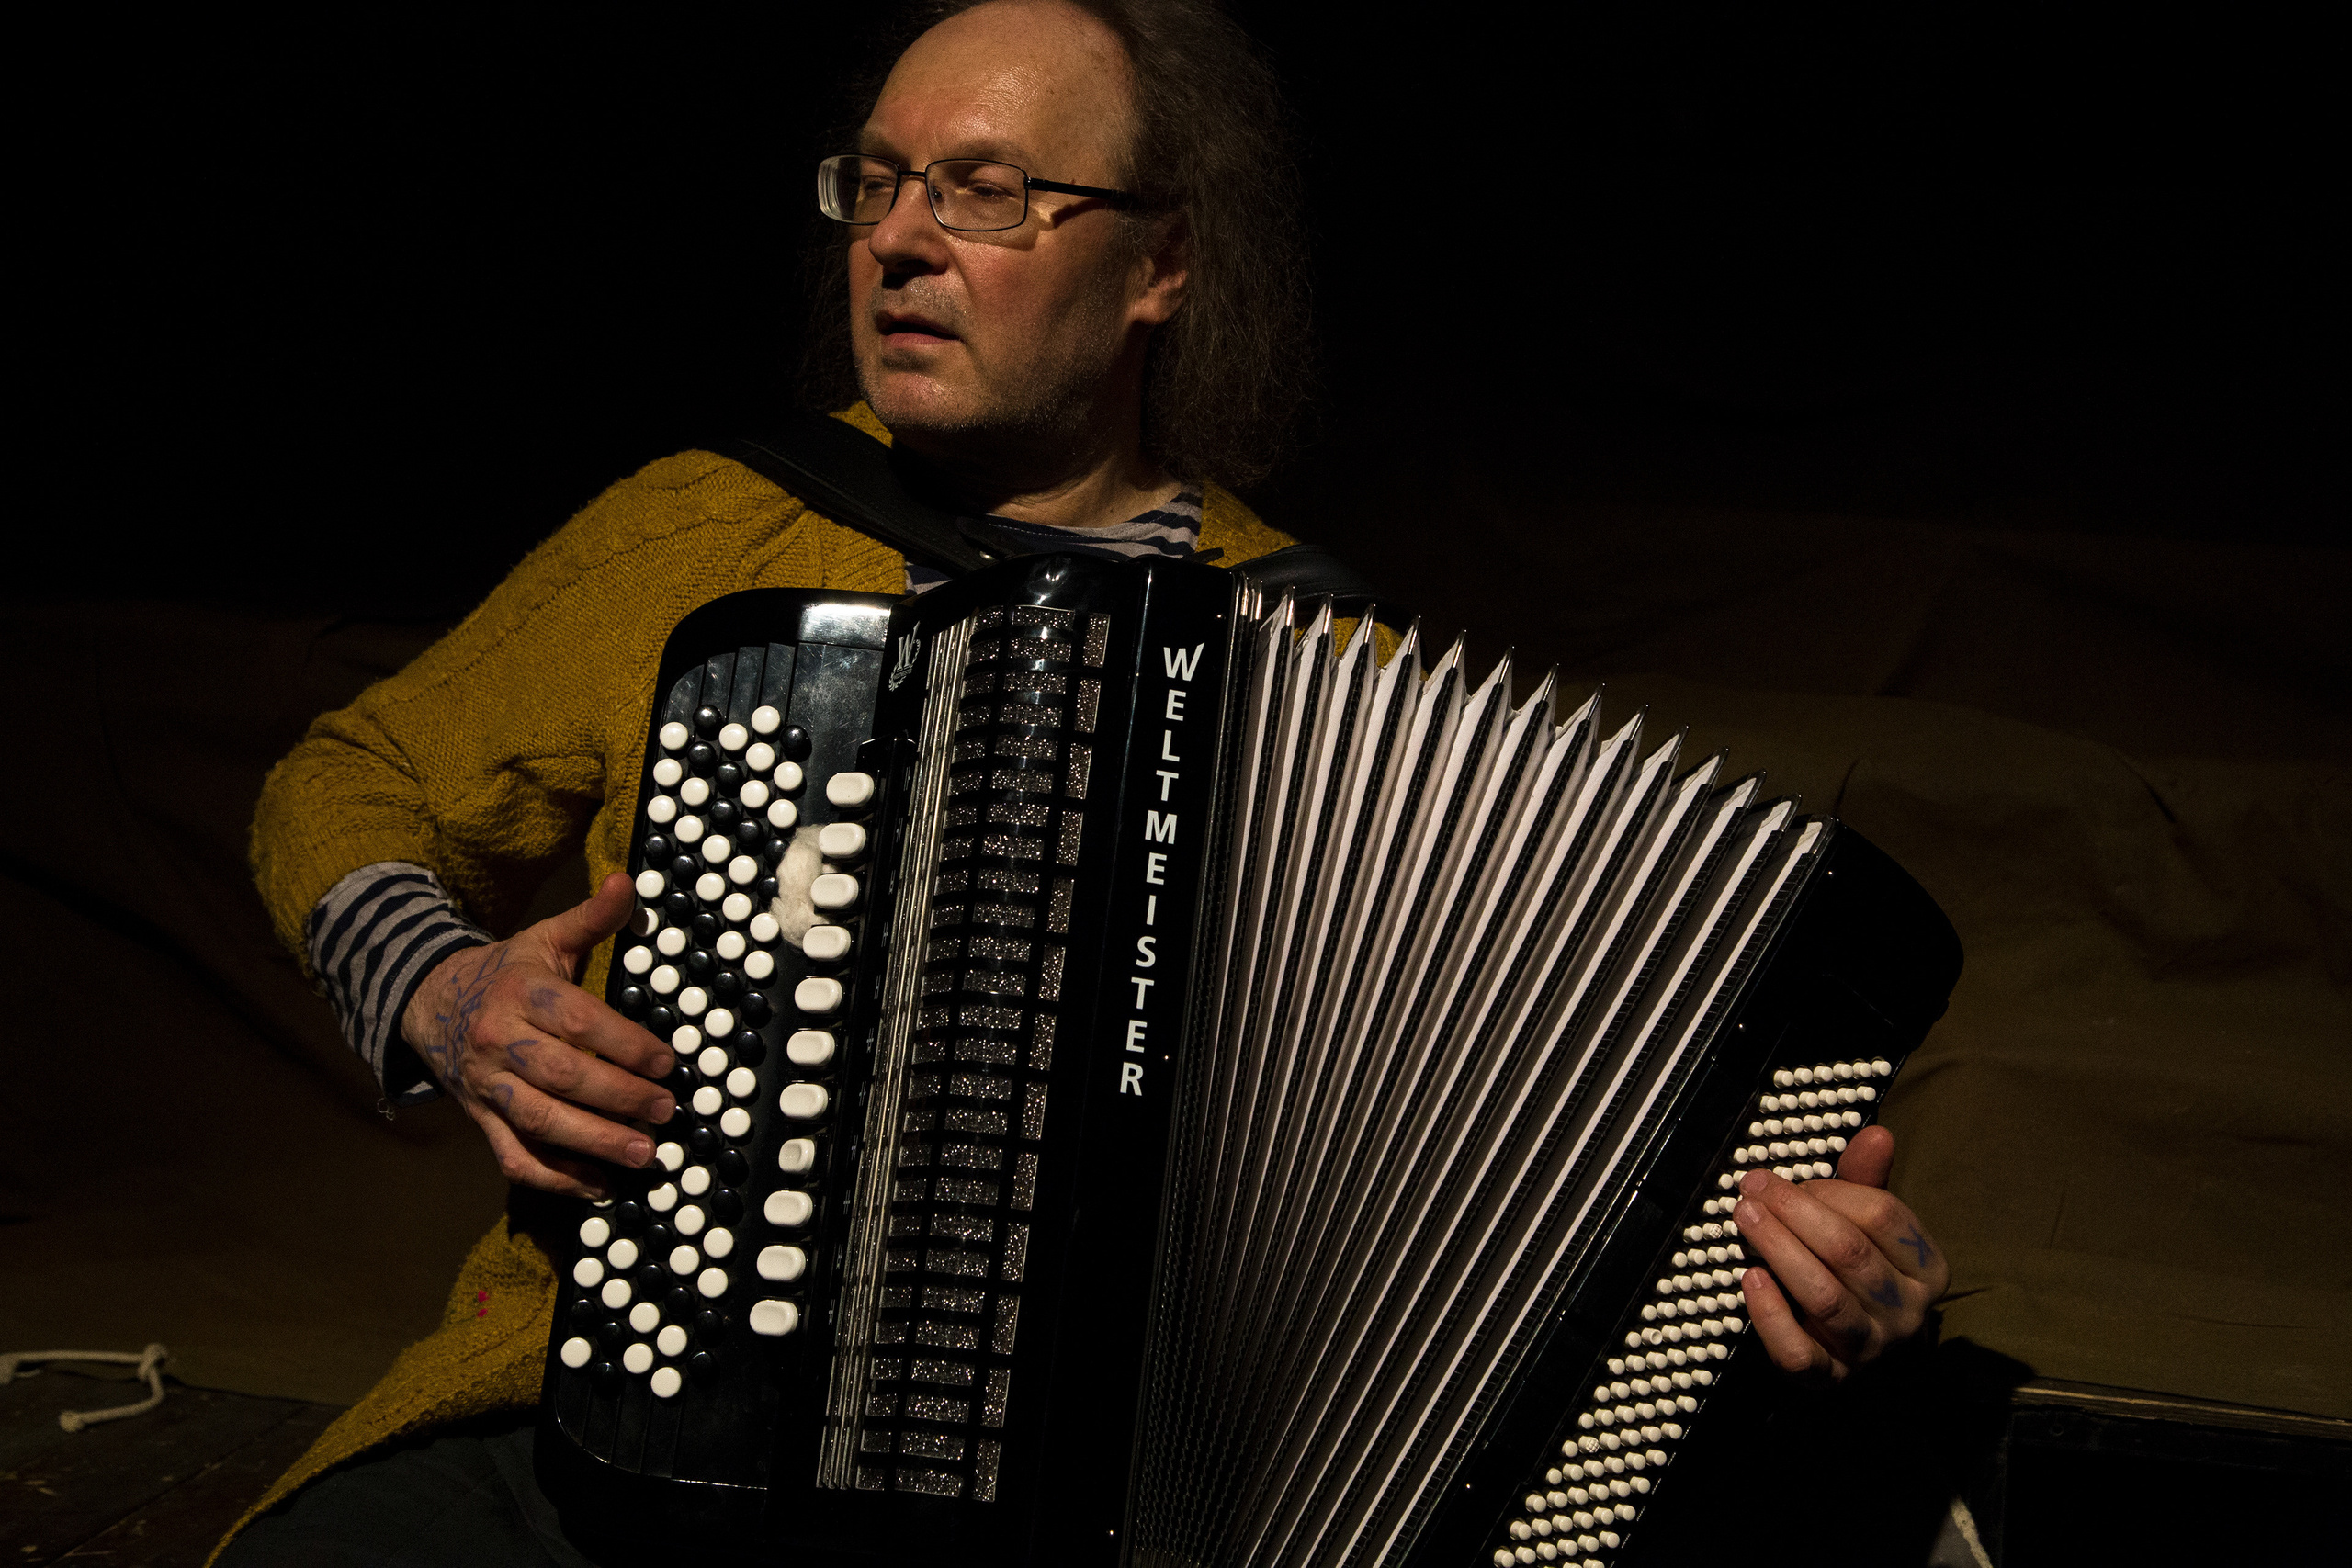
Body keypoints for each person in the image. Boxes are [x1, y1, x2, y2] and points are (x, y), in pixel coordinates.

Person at [226, 2, 1951, 1562]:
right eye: (881, 182)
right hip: (600, 1427)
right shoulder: (709, 525)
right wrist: (448, 998)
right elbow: (352, 778)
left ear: (1162, 269)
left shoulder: (1321, 662)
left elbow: (1543, 1187)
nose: (898, 240)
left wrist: (1786, 1269)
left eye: (984, 190)